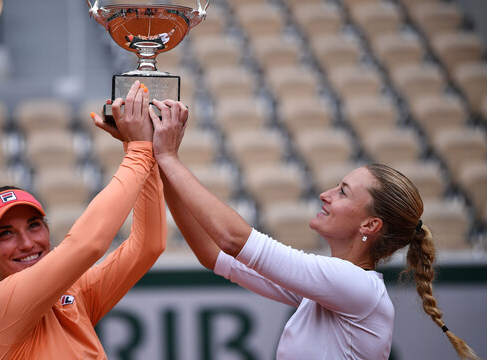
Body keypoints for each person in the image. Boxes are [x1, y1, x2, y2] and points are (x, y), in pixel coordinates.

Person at [148, 99, 480, 360]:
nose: (326, 194)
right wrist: (162, 163)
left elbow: (233, 239)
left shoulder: (354, 286)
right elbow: (212, 254)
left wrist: (169, 156)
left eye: (343, 191)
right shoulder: (331, 287)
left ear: (370, 225)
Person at [0, 81, 166, 359]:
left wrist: (143, 150)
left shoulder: (74, 293)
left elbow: (149, 245)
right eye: (6, 233)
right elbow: (87, 245)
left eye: (34, 225)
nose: (27, 243)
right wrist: (139, 152)